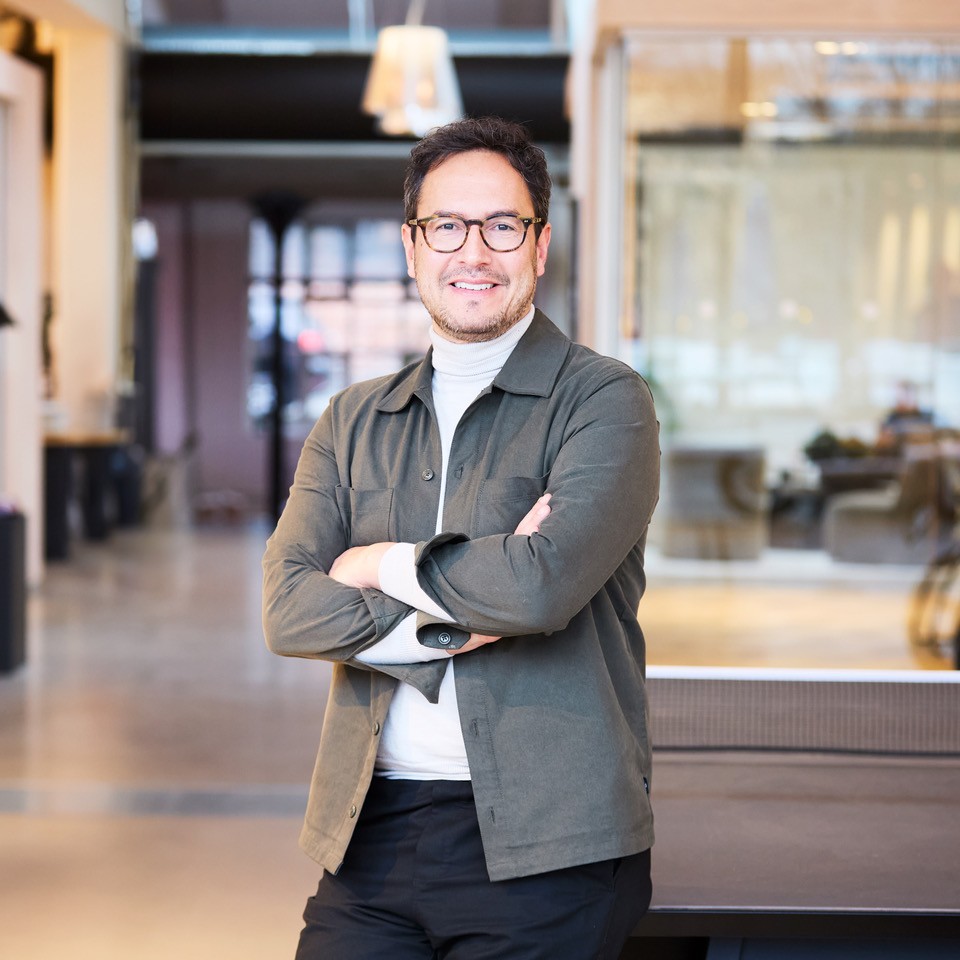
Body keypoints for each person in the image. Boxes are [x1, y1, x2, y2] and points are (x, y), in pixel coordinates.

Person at [262, 116, 660, 960]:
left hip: (551, 848)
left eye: (502, 226)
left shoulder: (605, 401)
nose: (472, 252)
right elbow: (288, 610)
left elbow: (542, 586)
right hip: (369, 835)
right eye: (446, 226)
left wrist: (377, 563)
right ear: (412, 247)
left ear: (539, 245)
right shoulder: (352, 419)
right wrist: (460, 621)